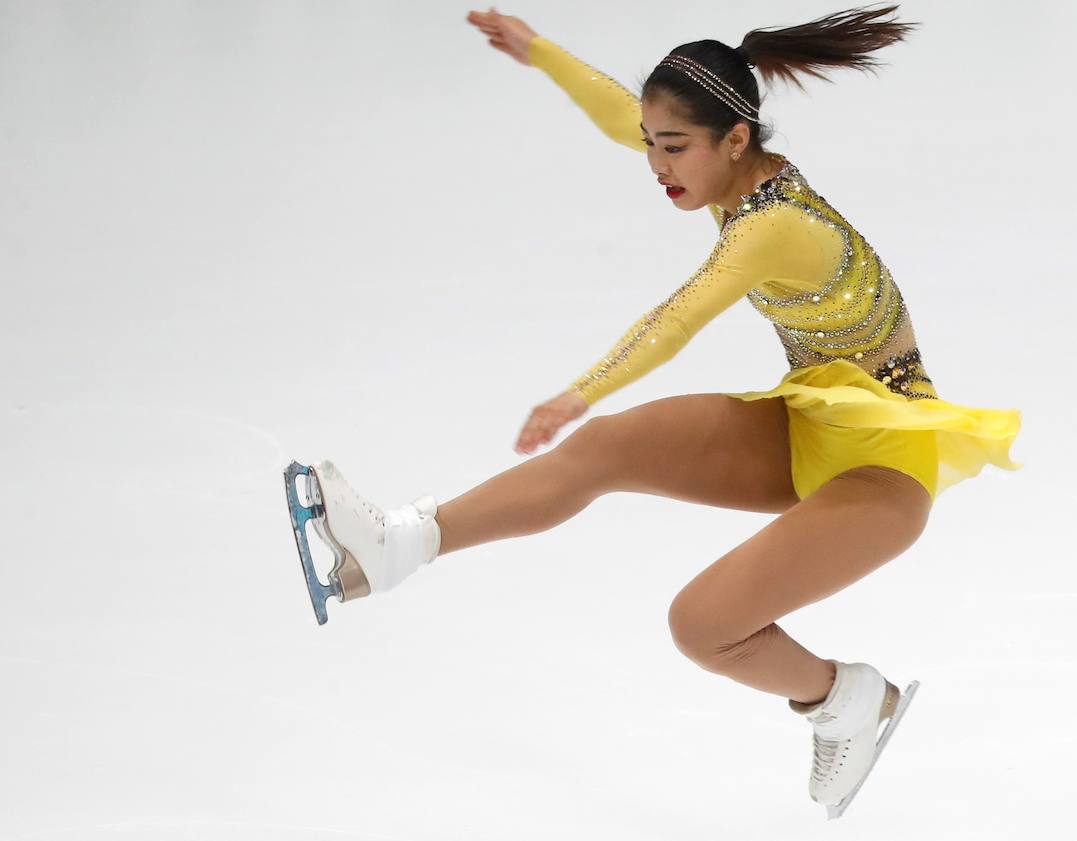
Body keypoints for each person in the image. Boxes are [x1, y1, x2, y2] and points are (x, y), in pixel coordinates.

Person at [291, 4, 1022, 818]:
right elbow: (620, 111)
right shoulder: (730, 174)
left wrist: (579, 390)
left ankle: (847, 700)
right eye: (652, 144)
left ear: (734, 140)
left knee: (700, 623)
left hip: (885, 467)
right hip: (813, 422)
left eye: (673, 148)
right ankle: (399, 545)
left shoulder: (775, 226)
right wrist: (537, 49)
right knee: (605, 450)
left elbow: (681, 315)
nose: (656, 163)